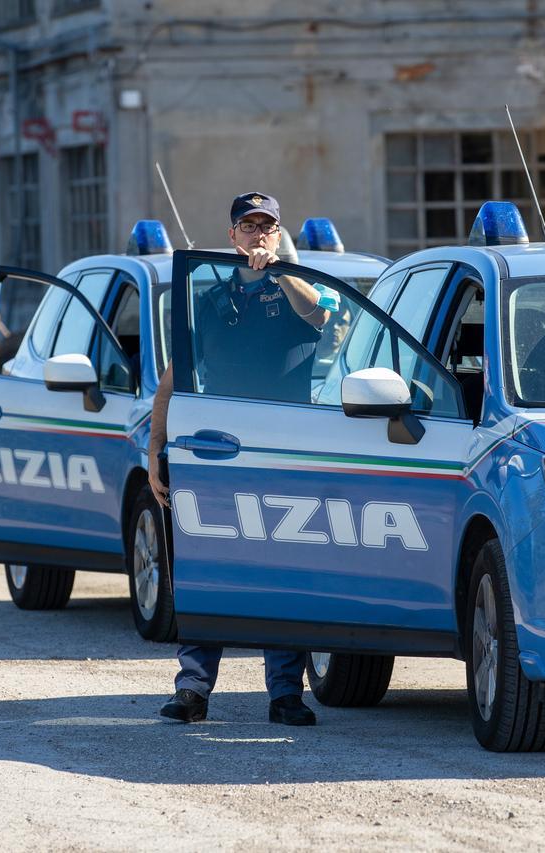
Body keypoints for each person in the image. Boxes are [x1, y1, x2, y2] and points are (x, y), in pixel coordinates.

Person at [149, 191, 331, 726]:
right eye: (248, 227)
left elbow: (319, 315)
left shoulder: (302, 287)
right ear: (231, 236)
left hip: (283, 454)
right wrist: (156, 448)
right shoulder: (208, 301)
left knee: (285, 574)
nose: (257, 235)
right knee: (210, 570)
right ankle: (193, 691)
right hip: (218, 455)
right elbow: (172, 380)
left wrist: (281, 272)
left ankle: (285, 694)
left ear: (279, 234)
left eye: (267, 227)